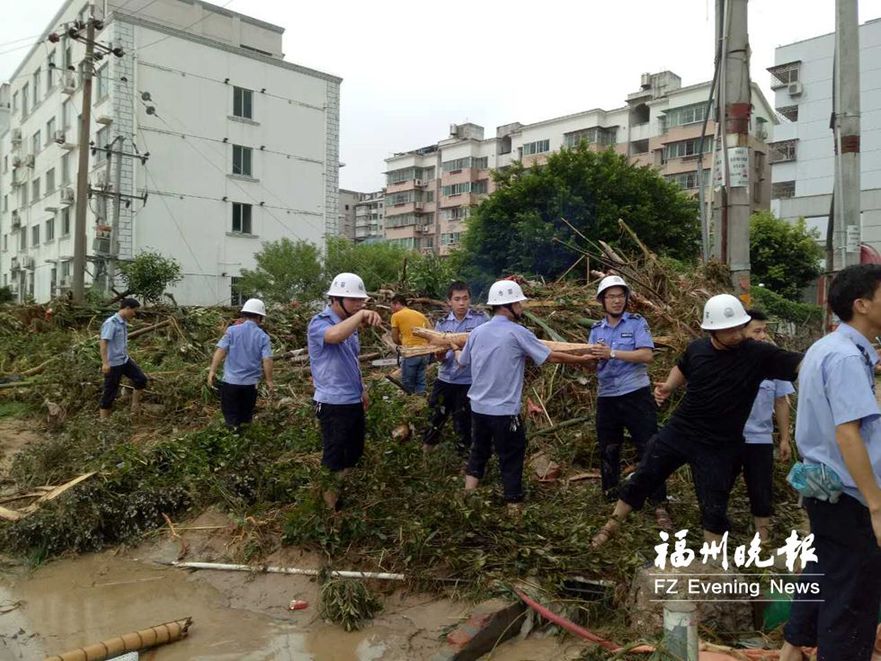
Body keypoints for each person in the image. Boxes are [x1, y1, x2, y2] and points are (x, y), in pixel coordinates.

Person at [592, 294, 802, 547]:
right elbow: (682, 368)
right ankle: (609, 527)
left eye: (738, 327)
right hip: (680, 431)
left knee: (714, 504)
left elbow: (799, 364)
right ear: (712, 331)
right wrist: (669, 386)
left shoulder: (758, 354)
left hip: (720, 444)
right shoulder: (697, 349)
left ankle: (712, 562)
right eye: (728, 330)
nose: (736, 334)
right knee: (644, 475)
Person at [779, 265, 881, 661]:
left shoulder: (827, 347)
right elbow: (848, 433)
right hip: (852, 497)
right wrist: (875, 505)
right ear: (862, 305)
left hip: (827, 490)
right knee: (851, 603)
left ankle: (791, 647)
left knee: (824, 572)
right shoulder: (844, 358)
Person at [458, 280, 595, 509]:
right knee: (511, 456)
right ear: (507, 305)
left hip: (478, 409)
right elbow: (550, 356)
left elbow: (462, 362)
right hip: (504, 412)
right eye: (519, 303)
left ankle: (466, 499)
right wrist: (581, 361)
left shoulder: (476, 333)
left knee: (478, 452)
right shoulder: (517, 332)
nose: (522, 307)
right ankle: (514, 508)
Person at [588, 275, 671, 529]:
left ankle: (659, 503)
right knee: (608, 449)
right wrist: (589, 358)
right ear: (602, 301)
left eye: (620, 296)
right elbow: (592, 363)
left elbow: (646, 355)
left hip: (635, 394)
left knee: (649, 447)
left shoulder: (636, 323)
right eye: (611, 297)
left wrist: (611, 353)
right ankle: (611, 500)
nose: (616, 301)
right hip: (607, 396)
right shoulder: (595, 330)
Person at [308, 272, 382, 510]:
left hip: (352, 400)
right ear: (335, 300)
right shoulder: (319, 323)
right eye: (354, 301)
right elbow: (334, 336)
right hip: (332, 403)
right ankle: (329, 510)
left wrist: (363, 389)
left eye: (361, 301)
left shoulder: (352, 327)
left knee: (353, 452)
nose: (360, 304)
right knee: (334, 458)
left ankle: (336, 494)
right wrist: (361, 314)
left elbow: (352, 359)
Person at [733, 309, 794, 544]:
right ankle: (716, 535)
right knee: (719, 484)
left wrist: (785, 439)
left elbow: (781, 401)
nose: (762, 336)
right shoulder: (726, 359)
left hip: (760, 439)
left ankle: (763, 538)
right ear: (741, 332)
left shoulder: (773, 362)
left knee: (761, 488)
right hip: (729, 438)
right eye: (756, 331)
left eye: (763, 331)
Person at [422, 281, 489, 454]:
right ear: (449, 302)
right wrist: (440, 355)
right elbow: (438, 354)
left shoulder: (481, 320)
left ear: (470, 300)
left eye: (465, 299)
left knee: (464, 420)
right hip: (445, 378)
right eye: (457, 299)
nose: (461, 303)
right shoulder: (442, 324)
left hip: (469, 381)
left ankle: (464, 455)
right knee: (436, 415)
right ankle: (427, 449)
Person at [208, 298, 275, 430]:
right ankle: (243, 439)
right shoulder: (263, 336)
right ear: (259, 317)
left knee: (230, 417)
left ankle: (232, 435)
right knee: (245, 416)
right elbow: (267, 360)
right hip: (250, 385)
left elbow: (220, 351)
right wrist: (269, 380)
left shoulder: (232, 331)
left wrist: (212, 371)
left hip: (230, 383)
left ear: (244, 314)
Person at [99, 298, 148, 419]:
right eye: (134, 311)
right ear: (127, 308)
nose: (134, 314)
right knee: (110, 392)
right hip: (113, 363)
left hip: (124, 360)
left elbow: (120, 344)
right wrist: (105, 363)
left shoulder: (123, 322)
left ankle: (135, 406)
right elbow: (103, 343)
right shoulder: (111, 323)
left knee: (141, 379)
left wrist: (129, 357)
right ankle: (103, 422)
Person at [390, 294, 430, 394]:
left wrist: (400, 343)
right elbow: (431, 332)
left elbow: (394, 338)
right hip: (425, 352)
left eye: (392, 306)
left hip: (411, 352)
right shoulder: (420, 315)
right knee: (421, 382)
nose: (392, 310)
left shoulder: (396, 316)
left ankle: (410, 405)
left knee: (408, 383)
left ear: (397, 304)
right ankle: (420, 404)